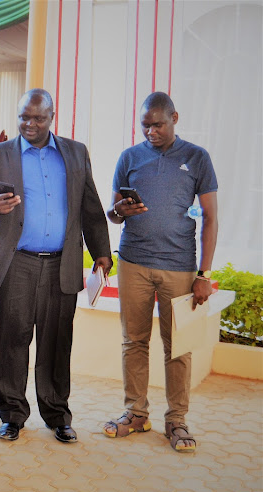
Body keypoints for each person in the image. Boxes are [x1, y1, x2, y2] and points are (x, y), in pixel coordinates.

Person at [0, 88, 112, 443]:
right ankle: (13, 414)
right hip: (16, 264)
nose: (29, 124)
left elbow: (91, 207)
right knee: (12, 341)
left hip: (61, 265)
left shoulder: (75, 152)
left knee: (56, 343)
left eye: (38, 118)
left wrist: (101, 251)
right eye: (24, 117)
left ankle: (57, 415)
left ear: (52, 117)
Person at [103, 91, 218, 453]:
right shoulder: (129, 157)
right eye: (145, 125)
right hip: (134, 262)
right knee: (133, 340)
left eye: (158, 124)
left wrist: (204, 274)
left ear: (175, 118)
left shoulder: (196, 158)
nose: (151, 131)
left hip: (180, 266)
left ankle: (177, 420)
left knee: (177, 347)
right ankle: (135, 412)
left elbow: (212, 219)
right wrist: (121, 210)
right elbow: (112, 213)